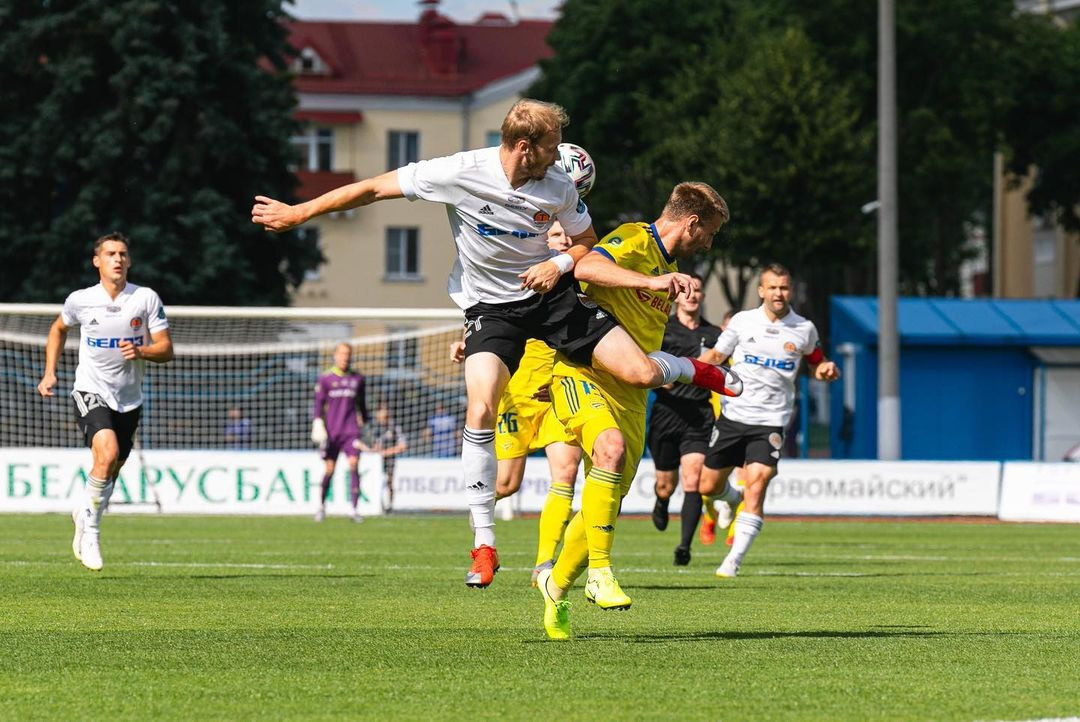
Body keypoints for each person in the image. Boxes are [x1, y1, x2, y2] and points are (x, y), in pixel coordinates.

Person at [253, 99, 732, 589]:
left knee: (641, 372)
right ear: (524, 147)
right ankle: (484, 544)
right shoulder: (458, 172)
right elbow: (373, 188)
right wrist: (299, 212)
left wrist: (557, 265)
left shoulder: (559, 184)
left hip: (552, 298)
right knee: (480, 408)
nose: (558, 157)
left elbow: (586, 240)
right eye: (551, 148)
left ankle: (694, 368)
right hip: (492, 310)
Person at [535, 182, 741, 640]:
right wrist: (649, 281)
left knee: (601, 508)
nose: (709, 244)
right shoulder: (634, 238)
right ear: (691, 223)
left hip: (631, 397)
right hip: (583, 375)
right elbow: (586, 266)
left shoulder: (671, 269)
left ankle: (557, 585)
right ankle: (600, 573)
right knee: (608, 450)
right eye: (709, 233)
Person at [37, 232, 174, 572]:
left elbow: (166, 349)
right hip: (90, 389)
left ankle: (84, 513)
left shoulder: (145, 298)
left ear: (129, 261)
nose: (118, 259)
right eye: (111, 253)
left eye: (123, 254)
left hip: (129, 398)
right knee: (107, 452)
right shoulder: (81, 300)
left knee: (111, 469)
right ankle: (92, 533)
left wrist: (141, 351)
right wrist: (50, 372)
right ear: (96, 261)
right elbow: (58, 329)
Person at [698, 263, 840, 578]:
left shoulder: (804, 329)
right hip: (733, 416)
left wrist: (825, 370)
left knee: (758, 481)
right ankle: (730, 498)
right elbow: (717, 357)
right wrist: (682, 370)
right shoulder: (742, 321)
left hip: (772, 420)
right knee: (707, 486)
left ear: (791, 291)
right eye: (772, 287)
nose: (778, 293)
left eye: (784, 287)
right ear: (761, 290)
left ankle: (733, 561)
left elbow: (816, 363)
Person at [647, 274, 724, 566]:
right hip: (667, 413)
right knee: (666, 484)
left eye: (697, 290)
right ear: (677, 295)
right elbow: (642, 359)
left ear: (702, 296)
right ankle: (662, 500)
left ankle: (684, 547)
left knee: (693, 478)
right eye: (686, 290)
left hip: (699, 415)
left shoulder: (714, 335)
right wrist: (658, 379)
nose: (691, 295)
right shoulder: (662, 328)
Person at [311, 342, 369, 522]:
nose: (345, 357)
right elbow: (319, 404)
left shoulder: (358, 378)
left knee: (354, 464)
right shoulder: (326, 379)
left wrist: (367, 425)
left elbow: (362, 405)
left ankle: (354, 509)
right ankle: (321, 507)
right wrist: (317, 422)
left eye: (348, 354)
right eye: (342, 354)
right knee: (330, 468)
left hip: (351, 431)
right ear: (335, 355)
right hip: (332, 431)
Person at [360, 403, 407, 513]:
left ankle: (390, 505)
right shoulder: (374, 428)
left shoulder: (394, 428)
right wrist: (373, 450)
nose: (380, 417)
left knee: (389, 481)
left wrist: (386, 452)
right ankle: (377, 504)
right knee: (376, 481)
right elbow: (373, 445)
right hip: (376, 460)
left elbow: (402, 446)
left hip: (389, 459)